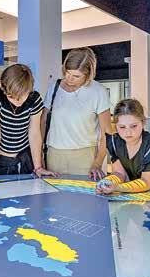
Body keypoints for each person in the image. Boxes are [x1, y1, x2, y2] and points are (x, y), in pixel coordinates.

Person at [41, 47, 113, 180]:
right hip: (54, 155)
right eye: (67, 73)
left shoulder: (98, 91)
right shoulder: (54, 87)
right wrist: (40, 155)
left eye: (76, 76)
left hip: (85, 157)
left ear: (88, 74)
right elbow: (43, 122)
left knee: (83, 192)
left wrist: (97, 163)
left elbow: (107, 134)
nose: (69, 79)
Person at [0, 64, 57, 178]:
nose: (18, 101)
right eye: (11, 96)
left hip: (26, 158)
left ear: (30, 90)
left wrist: (38, 167)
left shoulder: (34, 99)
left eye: (22, 96)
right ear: (4, 89)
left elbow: (34, 133)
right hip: (1, 159)